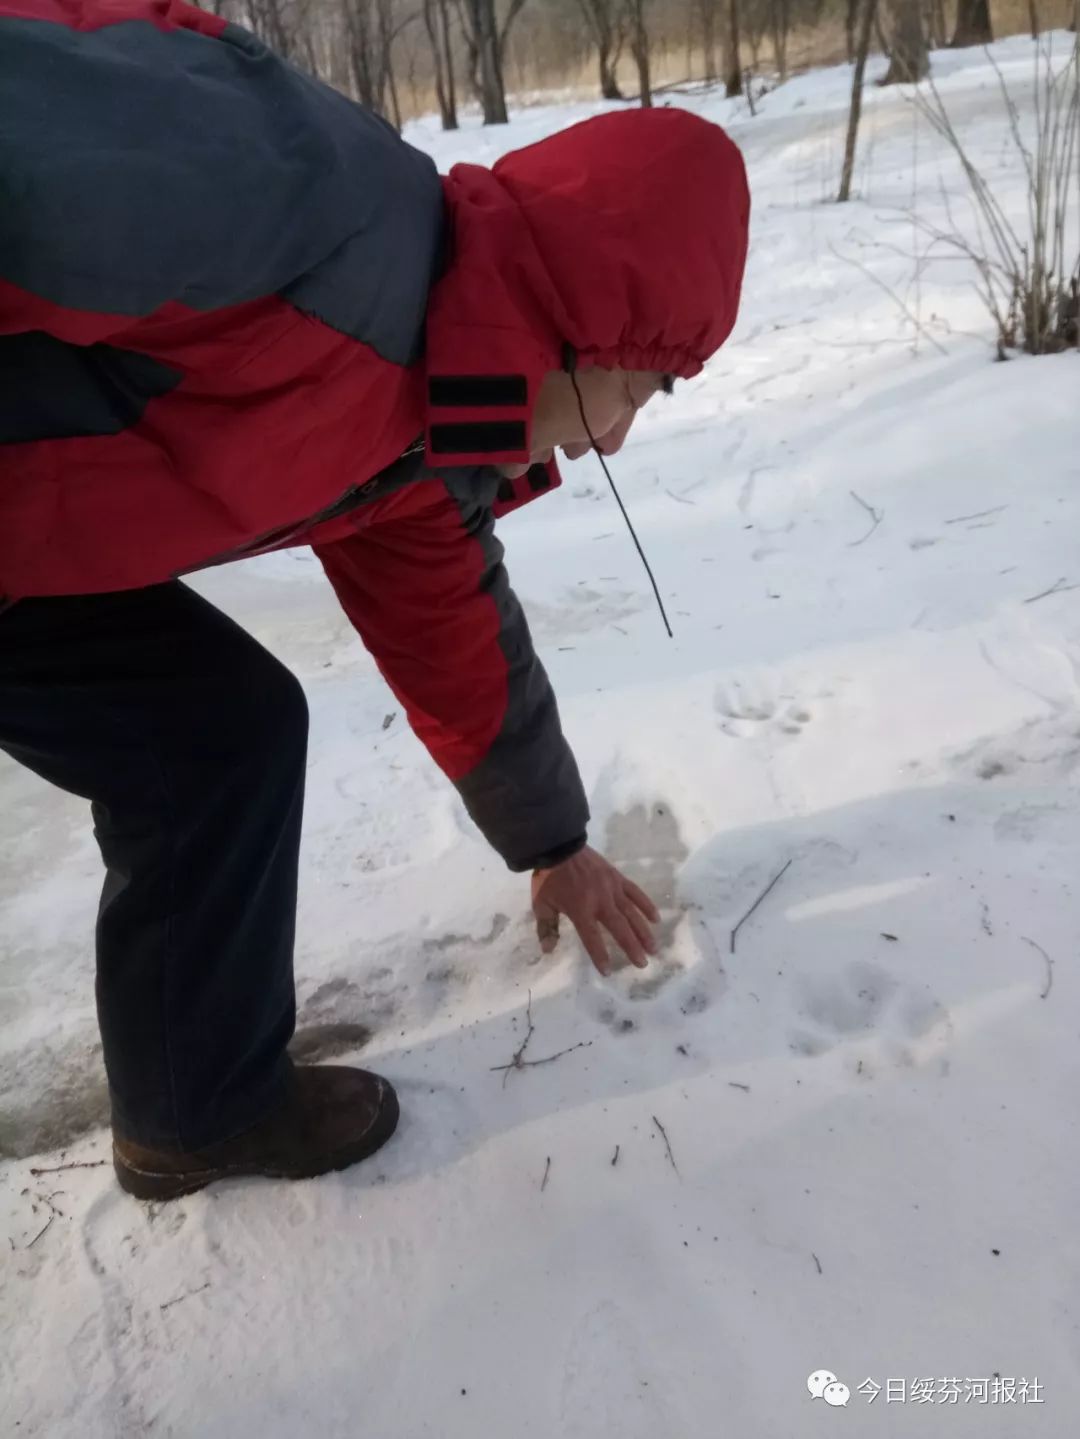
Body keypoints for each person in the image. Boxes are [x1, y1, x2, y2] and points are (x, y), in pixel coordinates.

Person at [0, 0, 750, 1199]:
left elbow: (451, 622)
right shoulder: (287, 194)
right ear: (588, 319)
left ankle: (197, 1109)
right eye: (645, 384)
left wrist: (552, 841)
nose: (616, 435)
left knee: (217, 740)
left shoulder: (431, 418)